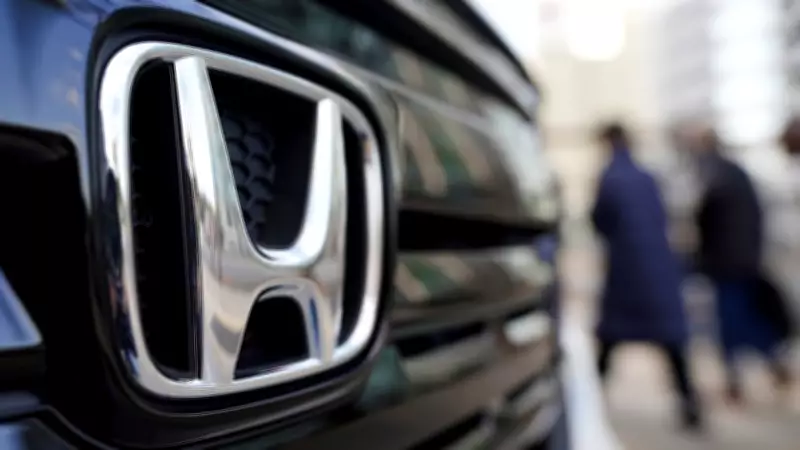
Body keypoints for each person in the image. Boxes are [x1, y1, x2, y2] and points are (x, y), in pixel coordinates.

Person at [592, 123, 702, 430]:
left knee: (610, 339)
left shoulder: (609, 178)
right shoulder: (648, 177)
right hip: (658, 267)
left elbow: (599, 221)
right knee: (671, 339)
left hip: (626, 270)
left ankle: (589, 404)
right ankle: (690, 406)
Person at [689, 124, 790, 405]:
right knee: (747, 319)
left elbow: (705, 218)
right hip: (744, 260)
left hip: (728, 264)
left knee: (732, 323)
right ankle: (771, 363)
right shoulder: (735, 174)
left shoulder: (717, 176)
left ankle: (737, 381)